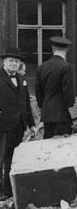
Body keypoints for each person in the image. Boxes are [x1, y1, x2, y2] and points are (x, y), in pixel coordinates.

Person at [0, 48, 35, 200]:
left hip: (18, 126)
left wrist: (31, 124)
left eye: (16, 61)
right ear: (4, 62)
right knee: (0, 158)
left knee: (12, 159)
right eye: (10, 61)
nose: (14, 63)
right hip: (2, 126)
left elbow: (26, 103)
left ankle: (7, 191)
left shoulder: (21, 79)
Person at [35, 36, 75, 139]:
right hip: (62, 115)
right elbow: (68, 94)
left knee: (48, 146)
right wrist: (74, 117)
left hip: (47, 115)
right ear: (67, 49)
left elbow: (38, 93)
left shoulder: (42, 67)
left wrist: (43, 110)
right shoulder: (66, 66)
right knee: (62, 148)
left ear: (53, 49)